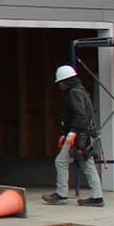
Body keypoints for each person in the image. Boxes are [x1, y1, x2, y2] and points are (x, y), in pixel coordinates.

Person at [45, 64, 104, 207]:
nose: (59, 86)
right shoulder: (81, 91)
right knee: (87, 163)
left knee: (61, 161)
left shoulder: (74, 93)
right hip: (84, 134)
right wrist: (66, 134)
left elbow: (80, 115)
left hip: (79, 135)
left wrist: (72, 133)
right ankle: (97, 197)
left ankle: (61, 195)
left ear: (65, 82)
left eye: (60, 83)